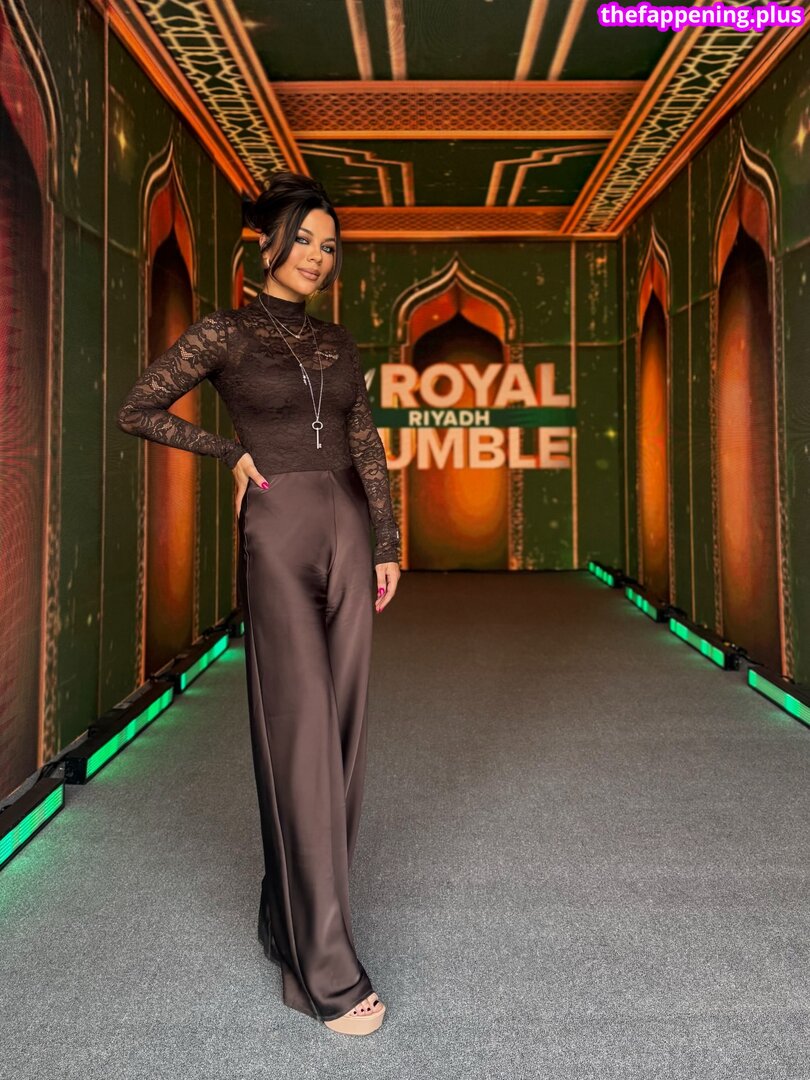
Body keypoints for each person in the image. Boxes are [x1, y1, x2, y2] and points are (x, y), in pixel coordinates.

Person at [116, 170, 401, 1036]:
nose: (316, 255)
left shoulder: (339, 342)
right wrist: (228, 453)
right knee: (301, 734)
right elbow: (138, 407)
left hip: (348, 528)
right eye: (303, 239)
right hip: (277, 530)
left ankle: (288, 918)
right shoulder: (225, 332)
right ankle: (326, 974)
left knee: (342, 737)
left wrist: (387, 541)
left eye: (328, 245)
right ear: (268, 244)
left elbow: (364, 440)